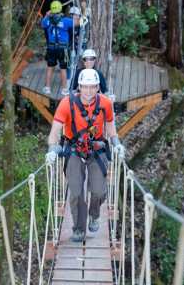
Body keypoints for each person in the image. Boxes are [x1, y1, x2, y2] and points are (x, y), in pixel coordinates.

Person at [45, 69, 125, 242]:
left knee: (98, 191)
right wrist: (52, 149)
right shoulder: (66, 104)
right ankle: (79, 228)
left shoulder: (105, 104)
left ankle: (94, 214)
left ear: (98, 87)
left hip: (96, 149)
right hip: (74, 149)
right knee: (76, 191)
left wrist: (117, 144)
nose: (88, 91)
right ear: (79, 87)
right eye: (85, 87)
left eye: (92, 87)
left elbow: (111, 129)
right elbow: (55, 131)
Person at [41, 1, 78, 96]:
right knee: (63, 68)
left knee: (50, 67)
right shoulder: (65, 21)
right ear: (60, 9)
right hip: (63, 48)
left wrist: (46, 15)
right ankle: (65, 89)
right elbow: (77, 23)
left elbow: (42, 24)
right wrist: (77, 16)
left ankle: (47, 87)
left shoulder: (47, 20)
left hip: (51, 47)